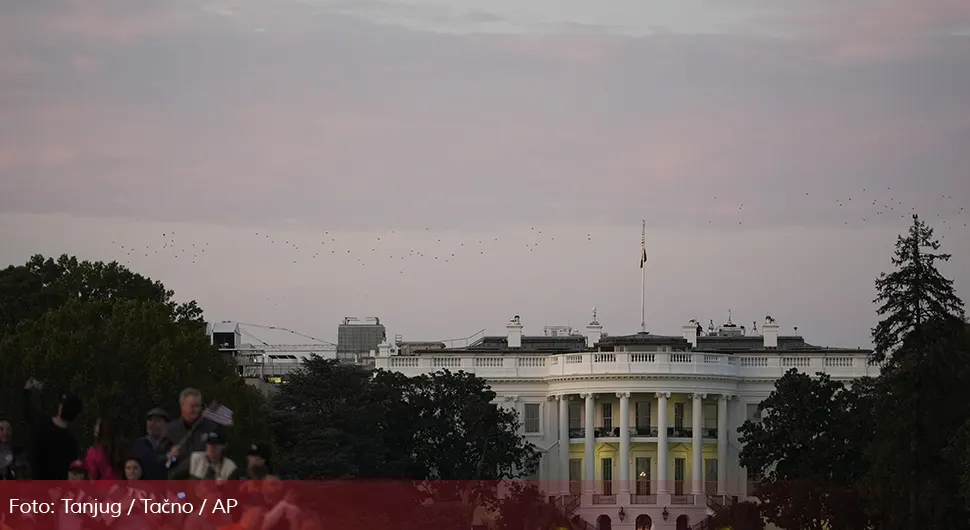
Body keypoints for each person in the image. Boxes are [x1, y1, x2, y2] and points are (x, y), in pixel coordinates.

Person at [22, 377, 82, 480]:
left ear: (60, 408)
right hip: (57, 490)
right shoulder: (71, 441)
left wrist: (26, 391)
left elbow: (27, 410)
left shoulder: (42, 424)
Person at [164, 388, 216, 470]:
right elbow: (162, 461)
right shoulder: (170, 430)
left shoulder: (210, 428)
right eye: (192, 406)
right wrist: (171, 456)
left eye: (198, 406)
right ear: (182, 405)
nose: (196, 410)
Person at [169, 431, 240, 481]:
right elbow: (174, 477)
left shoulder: (230, 467)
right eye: (209, 444)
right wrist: (182, 496)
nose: (211, 447)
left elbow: (233, 493)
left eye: (215, 445)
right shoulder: (195, 458)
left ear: (223, 446)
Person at [130, 408, 170, 480]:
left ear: (166, 424)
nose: (152, 424)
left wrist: (172, 458)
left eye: (157, 421)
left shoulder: (170, 445)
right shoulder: (139, 445)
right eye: (150, 420)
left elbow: (173, 464)